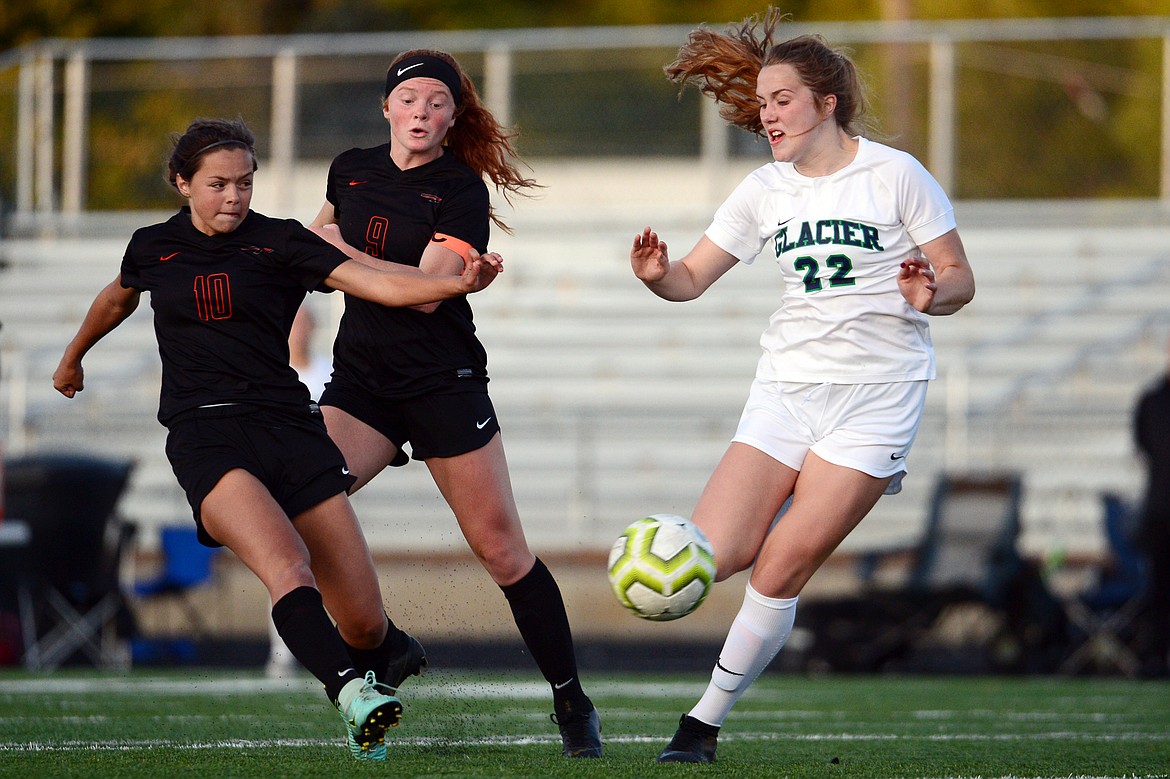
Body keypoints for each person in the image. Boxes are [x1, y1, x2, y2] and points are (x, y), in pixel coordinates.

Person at [52, 118, 501, 761]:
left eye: (244, 183)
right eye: (217, 185)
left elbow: (375, 282)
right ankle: (350, 695)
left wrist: (454, 283)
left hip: (291, 429)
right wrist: (74, 357)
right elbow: (117, 298)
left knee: (364, 622)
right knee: (287, 566)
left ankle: (384, 655)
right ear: (183, 184)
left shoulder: (283, 242)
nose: (233, 196)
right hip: (205, 433)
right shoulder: (152, 247)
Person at [629, 9, 975, 763]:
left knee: (782, 564)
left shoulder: (896, 174)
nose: (767, 113)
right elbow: (689, 279)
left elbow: (958, 279)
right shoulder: (764, 189)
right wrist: (659, 278)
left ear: (828, 103)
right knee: (705, 558)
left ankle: (702, 724)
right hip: (785, 390)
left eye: (781, 98)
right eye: (762, 101)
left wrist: (928, 296)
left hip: (877, 396)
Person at [308, 48, 602, 758]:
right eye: (410, 99)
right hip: (363, 384)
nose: (421, 112)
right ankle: (387, 650)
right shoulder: (349, 166)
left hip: (443, 384)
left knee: (502, 552)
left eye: (438, 102)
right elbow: (315, 243)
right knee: (299, 499)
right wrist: (342, 258)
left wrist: (338, 259)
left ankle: (571, 700)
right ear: (387, 107)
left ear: (453, 117)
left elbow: (428, 289)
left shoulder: (461, 187)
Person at [265, 302, 335, 679]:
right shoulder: (274, 372)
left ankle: (330, 650)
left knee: (327, 565)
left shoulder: (327, 372)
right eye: (294, 323)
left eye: (305, 323)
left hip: (320, 478)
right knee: (287, 564)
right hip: (281, 478)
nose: (299, 331)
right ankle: (283, 651)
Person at [1133, 336, 1170, 677]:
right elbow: (1145, 446)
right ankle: (1156, 655)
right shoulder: (1153, 400)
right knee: (1158, 588)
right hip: (1161, 509)